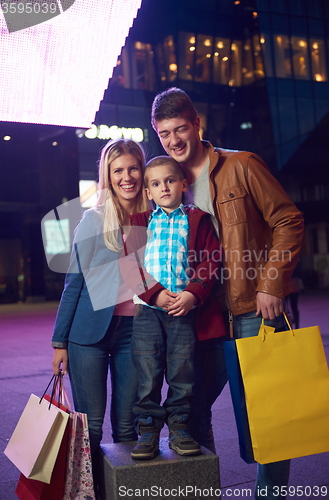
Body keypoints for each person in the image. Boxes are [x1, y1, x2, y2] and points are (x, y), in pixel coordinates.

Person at [150, 88, 304, 499]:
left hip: (254, 310)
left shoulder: (241, 165)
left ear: (196, 123)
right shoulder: (170, 186)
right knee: (190, 410)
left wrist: (271, 282)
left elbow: (288, 220)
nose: (174, 140)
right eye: (165, 134)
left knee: (269, 417)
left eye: (180, 129)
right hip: (205, 316)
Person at [51, 138, 149, 496]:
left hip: (135, 333)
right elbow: (73, 283)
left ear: (142, 170)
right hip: (86, 336)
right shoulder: (93, 221)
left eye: (133, 168)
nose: (127, 177)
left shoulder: (155, 218)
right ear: (108, 175)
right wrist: (59, 342)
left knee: (127, 426)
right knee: (90, 428)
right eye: (118, 170)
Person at [121, 156, 226, 460]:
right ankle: (148, 431)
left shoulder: (198, 219)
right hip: (147, 312)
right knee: (148, 372)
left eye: (169, 180)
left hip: (183, 310)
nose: (163, 187)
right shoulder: (140, 223)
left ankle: (180, 427)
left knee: (183, 370)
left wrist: (193, 294)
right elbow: (129, 265)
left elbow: (210, 262)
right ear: (148, 193)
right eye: (155, 183)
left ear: (183, 184)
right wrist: (153, 294)